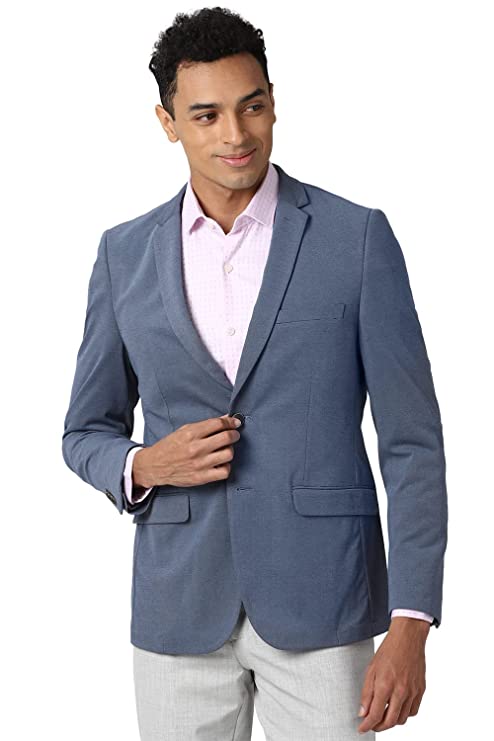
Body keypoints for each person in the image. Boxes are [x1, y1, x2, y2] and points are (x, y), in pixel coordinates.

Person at [62, 7, 448, 739]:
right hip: (177, 607)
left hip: (324, 600)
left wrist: (411, 620)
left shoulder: (356, 238)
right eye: (205, 115)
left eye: (252, 106)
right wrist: (145, 464)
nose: (235, 135)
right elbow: (84, 431)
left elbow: (412, 443)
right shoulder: (123, 254)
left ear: (273, 101)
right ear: (168, 123)